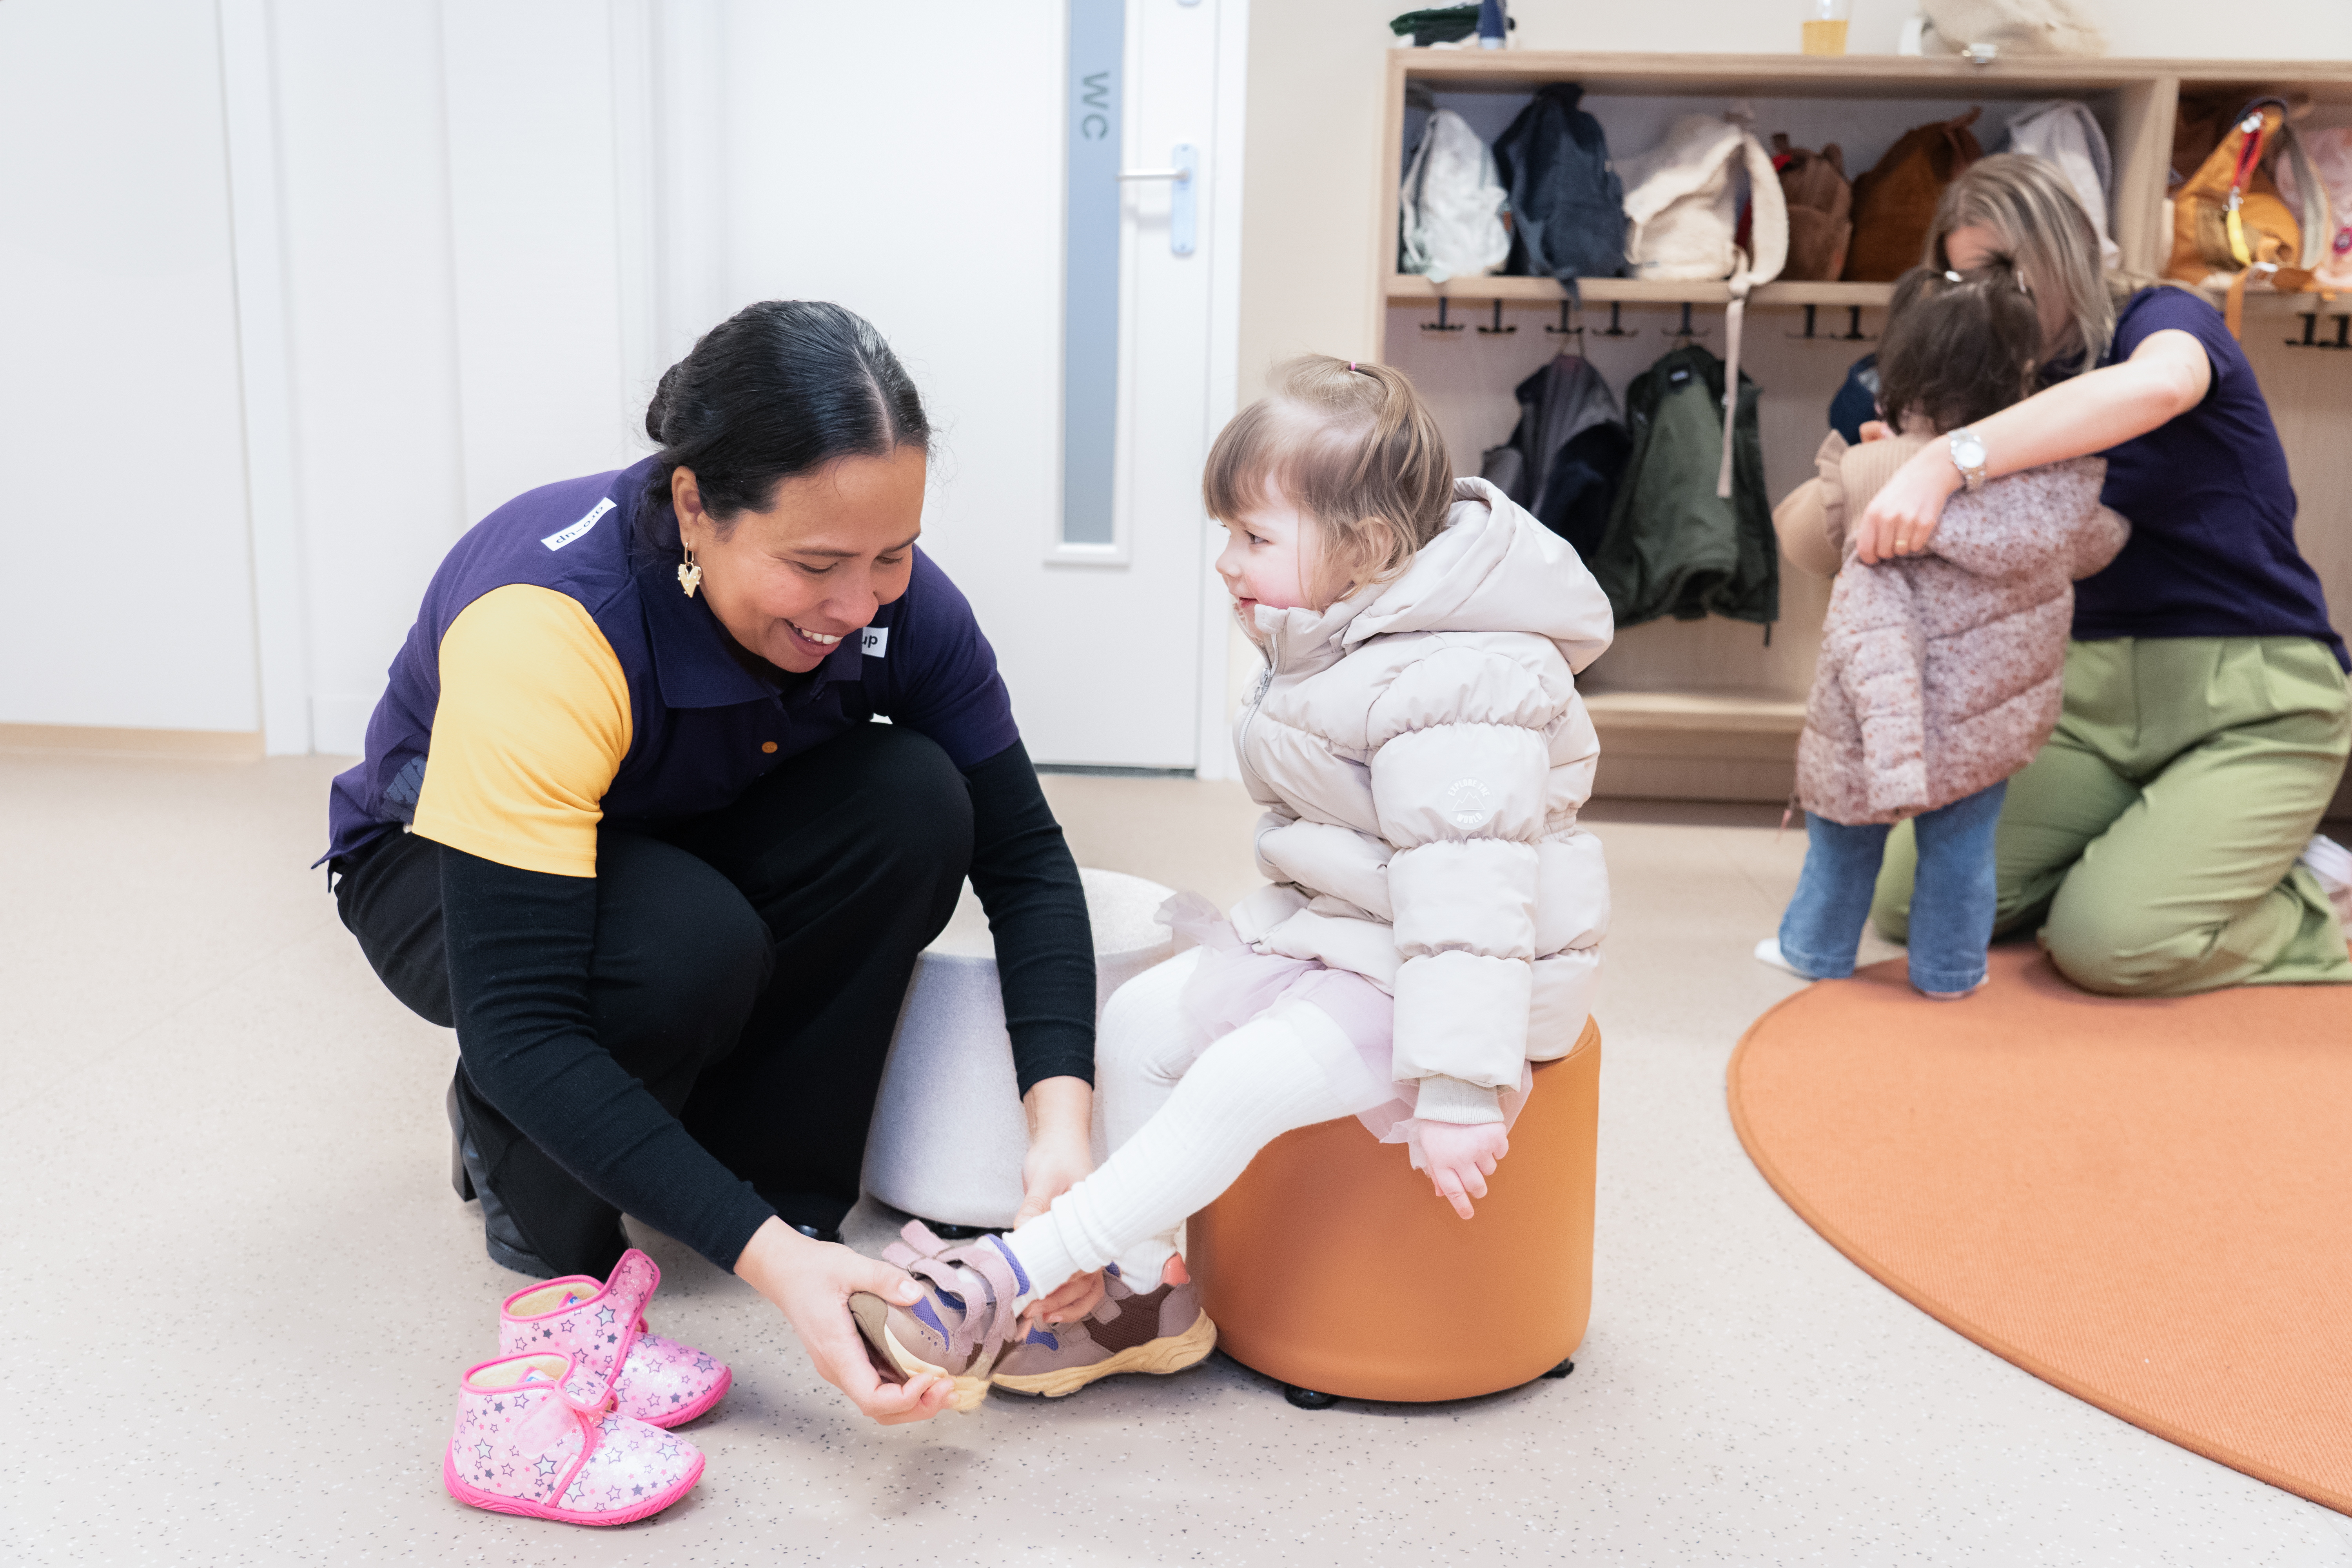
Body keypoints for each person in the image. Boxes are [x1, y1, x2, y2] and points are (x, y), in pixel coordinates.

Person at [324, 300, 1103, 1426]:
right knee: (681, 948)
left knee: (916, 799)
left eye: (894, 553)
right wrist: (771, 1270)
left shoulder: (896, 605)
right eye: (817, 563)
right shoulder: (549, 625)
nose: (857, 604)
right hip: (438, 868)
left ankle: (766, 1181)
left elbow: (1026, 860)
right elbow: (525, 1021)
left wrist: (1062, 1134)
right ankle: (511, 1154)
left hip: (678, 816)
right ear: (695, 505)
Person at [842, 356, 1615, 1407]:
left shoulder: (1460, 680)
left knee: (1232, 1086)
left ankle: (1022, 1266)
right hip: (1350, 938)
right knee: (1146, 1021)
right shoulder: (1347, 631)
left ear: (1369, 549)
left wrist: (1459, 1089)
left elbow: (1471, 901)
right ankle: (1139, 1293)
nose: (1225, 562)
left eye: (1254, 538)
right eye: (1229, 532)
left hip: (1453, 984)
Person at [1847, 154, 2352, 995]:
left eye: (2009, 271)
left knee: (2109, 947)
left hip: (2252, 698)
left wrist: (1946, 458)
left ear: (2070, 253)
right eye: (1966, 275)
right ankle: (2160, 849)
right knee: (1908, 899)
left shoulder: (2163, 320)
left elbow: (2161, 386)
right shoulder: (1994, 380)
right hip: (2084, 706)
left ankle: (2311, 899)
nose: (1989, 294)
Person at [1758, 265, 2128, 997]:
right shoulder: (2056, 488)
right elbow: (2100, 542)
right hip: (1987, 734)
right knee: (1963, 854)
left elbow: (1869, 633)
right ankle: (1952, 972)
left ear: (1899, 381)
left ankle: (1815, 948)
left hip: (1875, 735)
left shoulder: (1885, 496)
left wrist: (1897, 772)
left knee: (1842, 849)